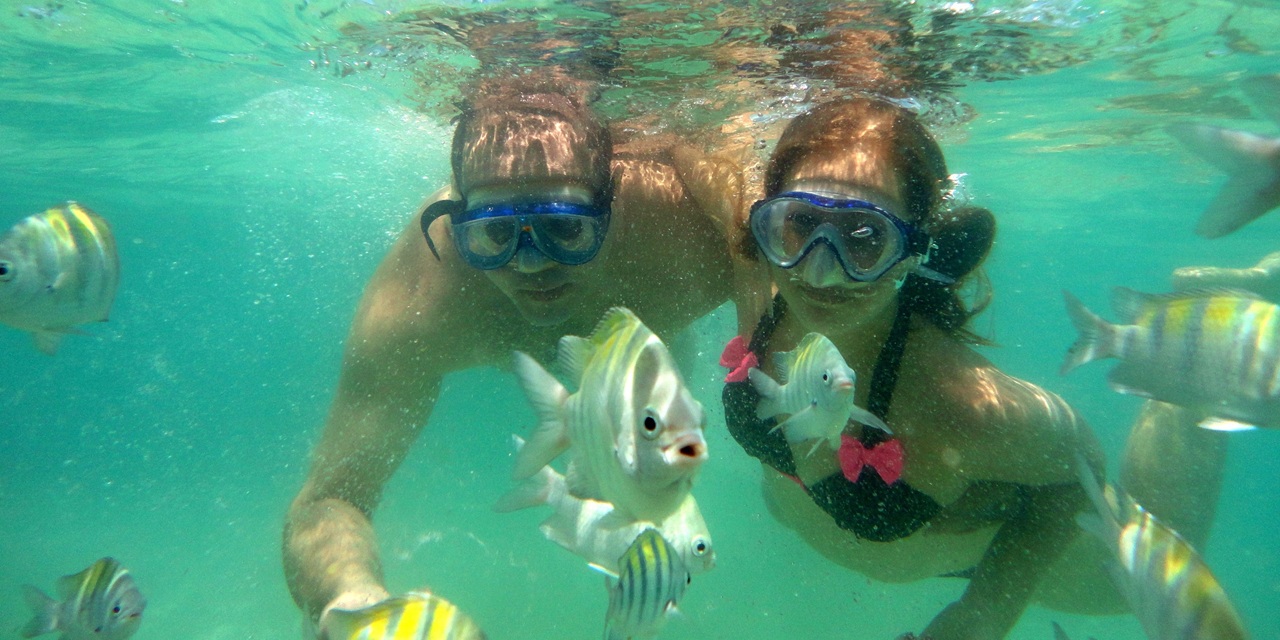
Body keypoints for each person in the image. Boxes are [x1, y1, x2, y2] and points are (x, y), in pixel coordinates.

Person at [281, 69, 737, 634]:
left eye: (564, 229)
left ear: (611, 208)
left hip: (643, 409)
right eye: (494, 236)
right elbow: (328, 499)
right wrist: (353, 600)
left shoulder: (687, 233)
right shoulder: (418, 302)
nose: (530, 265)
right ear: (455, 226)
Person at [716, 97, 1108, 640]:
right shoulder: (763, 288)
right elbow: (710, 166)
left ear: (914, 249)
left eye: (864, 237)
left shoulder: (958, 401)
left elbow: (1082, 467)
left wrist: (986, 610)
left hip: (1032, 568)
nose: (821, 270)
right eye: (801, 223)